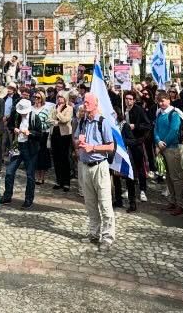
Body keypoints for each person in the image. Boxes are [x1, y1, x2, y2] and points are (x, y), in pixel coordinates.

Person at [75, 92, 116, 250]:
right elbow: (77, 138)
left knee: (105, 203)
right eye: (84, 101)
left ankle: (107, 237)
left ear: (95, 104)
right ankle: (93, 233)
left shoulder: (103, 122)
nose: (84, 104)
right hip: (85, 166)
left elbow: (110, 146)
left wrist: (93, 147)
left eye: (87, 102)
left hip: (100, 166)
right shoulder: (83, 121)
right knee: (90, 203)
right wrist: (80, 143)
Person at [2, 96, 47, 209]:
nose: (22, 114)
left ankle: (28, 199)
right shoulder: (16, 115)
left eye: (24, 113)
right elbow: (10, 125)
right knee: (9, 171)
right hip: (18, 146)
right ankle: (7, 195)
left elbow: (40, 134)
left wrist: (30, 133)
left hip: (30, 148)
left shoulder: (34, 118)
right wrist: (14, 129)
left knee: (30, 175)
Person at [154, 93, 183, 215]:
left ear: (168, 100)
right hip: (162, 147)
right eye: (159, 101)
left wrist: (164, 143)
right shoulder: (159, 114)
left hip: (172, 148)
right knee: (168, 176)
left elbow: (174, 130)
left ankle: (180, 204)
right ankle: (172, 201)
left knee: (176, 177)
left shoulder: (174, 114)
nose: (161, 103)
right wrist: (157, 141)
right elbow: (155, 129)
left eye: (163, 101)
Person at [49, 92, 74, 191]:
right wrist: (56, 120)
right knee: (56, 158)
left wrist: (58, 113)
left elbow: (65, 120)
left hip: (65, 135)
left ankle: (66, 182)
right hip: (54, 135)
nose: (59, 99)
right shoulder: (53, 107)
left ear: (65, 98)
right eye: (58, 97)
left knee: (65, 158)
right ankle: (59, 180)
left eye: (61, 97)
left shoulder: (69, 108)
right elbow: (49, 119)